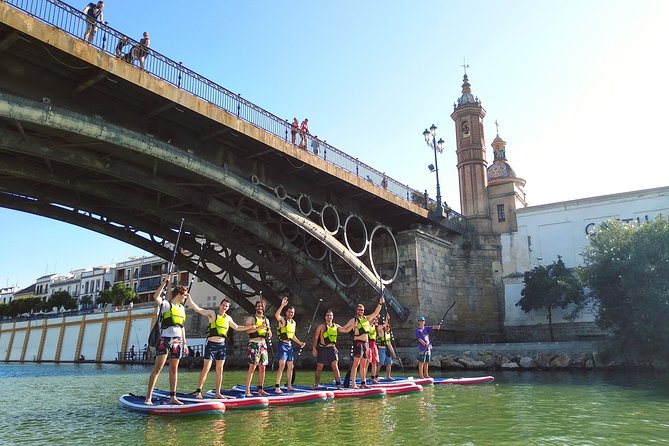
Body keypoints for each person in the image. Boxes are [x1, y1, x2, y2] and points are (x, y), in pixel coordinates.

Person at [187, 298, 256, 399]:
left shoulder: (228, 318)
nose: (224, 307)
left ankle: (218, 393)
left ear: (228, 308)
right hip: (211, 345)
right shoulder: (212, 314)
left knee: (220, 369)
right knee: (206, 368)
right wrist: (189, 299)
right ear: (220, 305)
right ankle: (199, 392)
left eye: (226, 306)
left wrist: (249, 328)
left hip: (221, 346)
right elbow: (198, 310)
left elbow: (236, 327)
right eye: (223, 305)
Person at [144, 276, 189, 405]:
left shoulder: (182, 308)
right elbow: (156, 297)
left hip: (177, 341)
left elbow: (182, 327)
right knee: (158, 368)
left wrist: (184, 344)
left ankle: (173, 397)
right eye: (185, 295)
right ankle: (148, 397)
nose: (186, 297)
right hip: (165, 340)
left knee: (174, 370)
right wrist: (164, 283)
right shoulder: (166, 305)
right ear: (179, 294)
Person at [339, 296, 385, 389]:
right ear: (357, 311)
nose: (361, 311)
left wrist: (380, 303)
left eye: (362, 310)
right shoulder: (354, 320)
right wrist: (335, 326)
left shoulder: (367, 319)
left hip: (366, 344)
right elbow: (344, 329)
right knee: (356, 364)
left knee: (364, 364)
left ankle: (363, 383)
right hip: (358, 343)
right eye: (359, 309)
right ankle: (353, 384)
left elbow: (376, 312)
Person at [273, 296, 306, 393]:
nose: (290, 314)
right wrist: (282, 305)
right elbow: (276, 315)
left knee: (290, 366)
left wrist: (300, 343)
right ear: (286, 312)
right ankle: (277, 387)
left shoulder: (293, 323)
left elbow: (292, 335)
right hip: (282, 344)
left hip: (289, 346)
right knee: (282, 365)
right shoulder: (283, 320)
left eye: (292, 312)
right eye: (289, 312)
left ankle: (289, 386)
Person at [311, 309, 346, 389]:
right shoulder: (321, 326)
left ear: (332, 317)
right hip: (322, 348)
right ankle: (316, 384)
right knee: (319, 368)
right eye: (327, 315)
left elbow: (345, 329)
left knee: (335, 366)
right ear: (325, 317)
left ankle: (338, 384)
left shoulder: (336, 326)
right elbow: (316, 338)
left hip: (332, 348)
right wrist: (314, 348)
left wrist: (353, 325)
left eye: (330, 316)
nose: (329, 317)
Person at [243, 299, 272, 397]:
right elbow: (248, 331)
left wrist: (268, 330)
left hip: (263, 344)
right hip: (254, 344)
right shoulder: (251, 319)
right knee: (252, 367)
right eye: (258, 306)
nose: (260, 308)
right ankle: (247, 390)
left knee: (263, 368)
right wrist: (259, 327)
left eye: (262, 306)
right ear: (256, 307)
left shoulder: (266, 320)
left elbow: (270, 335)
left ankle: (260, 389)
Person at [376, 313, 396, 380]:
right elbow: (382, 326)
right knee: (381, 363)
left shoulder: (388, 334)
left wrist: (393, 353)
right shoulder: (382, 332)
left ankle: (388, 376)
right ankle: (376, 376)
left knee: (389, 362)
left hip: (387, 350)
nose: (388, 328)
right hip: (381, 349)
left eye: (389, 327)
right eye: (387, 327)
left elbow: (389, 344)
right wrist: (387, 319)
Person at [364, 316, 380, 383]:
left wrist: (387, 319)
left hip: (374, 344)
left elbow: (382, 327)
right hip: (368, 344)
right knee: (367, 362)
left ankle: (373, 378)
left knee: (374, 362)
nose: (374, 320)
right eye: (373, 319)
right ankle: (363, 378)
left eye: (375, 319)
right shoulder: (367, 326)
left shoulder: (375, 326)